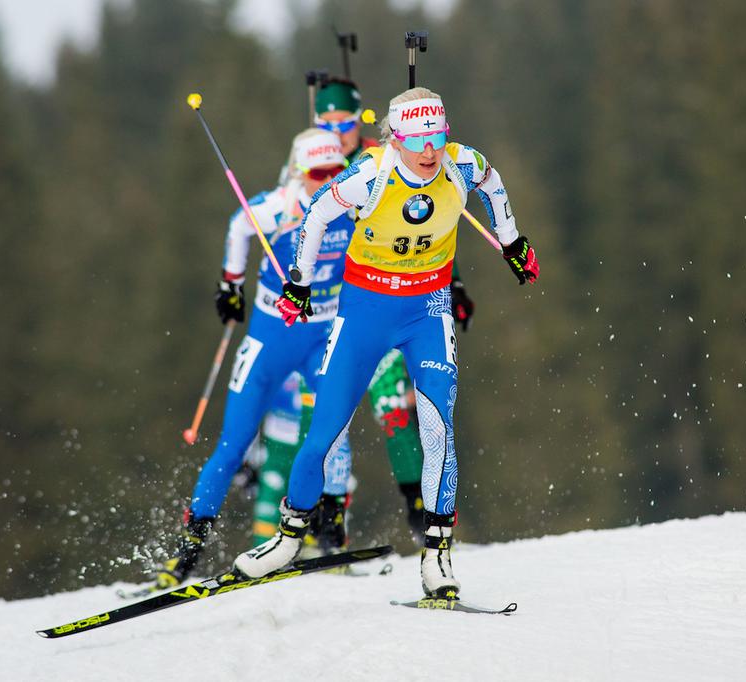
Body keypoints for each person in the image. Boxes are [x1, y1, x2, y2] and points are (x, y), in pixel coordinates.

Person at [233, 87, 540, 599]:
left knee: (438, 425)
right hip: (364, 312)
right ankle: (289, 538)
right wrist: (299, 283)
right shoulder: (369, 175)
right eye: (417, 140)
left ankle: (437, 557)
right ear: (395, 139)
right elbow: (314, 217)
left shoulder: (462, 164)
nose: (429, 151)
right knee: (325, 431)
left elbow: (494, 183)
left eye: (437, 137)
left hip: (427, 310)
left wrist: (512, 240)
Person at [249, 78, 475, 546]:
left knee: (395, 407)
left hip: (385, 301)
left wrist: (451, 286)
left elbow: (428, 225)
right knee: (326, 416)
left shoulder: (384, 158)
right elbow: (297, 226)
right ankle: (325, 520)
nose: (337, 131)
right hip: (326, 310)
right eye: (325, 122)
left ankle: (422, 514)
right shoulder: (310, 163)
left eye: (345, 121)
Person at [153, 129, 356, 590]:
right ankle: (187, 552)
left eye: (335, 171)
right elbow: (238, 225)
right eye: (317, 173)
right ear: (299, 172)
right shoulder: (279, 207)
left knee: (333, 432)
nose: (327, 180)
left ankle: (329, 536)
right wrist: (231, 284)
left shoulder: (353, 200)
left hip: (323, 333)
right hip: (272, 336)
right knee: (234, 441)